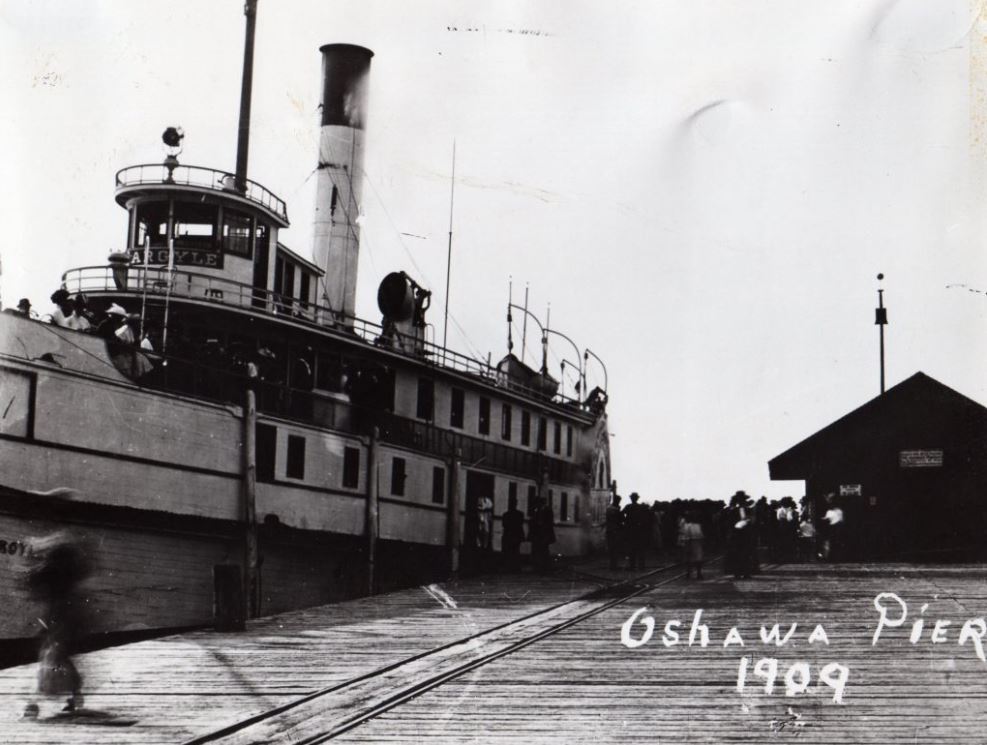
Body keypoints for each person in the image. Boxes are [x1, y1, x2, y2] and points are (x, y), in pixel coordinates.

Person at [21, 531, 91, 718]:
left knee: (52, 656)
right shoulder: (65, 574)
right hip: (66, 617)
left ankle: (33, 704)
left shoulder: (50, 572)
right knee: (60, 656)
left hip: (61, 618)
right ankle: (74, 695)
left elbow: (32, 585)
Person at [622, 492, 653, 570]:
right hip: (639, 530)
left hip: (630, 530)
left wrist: (626, 521)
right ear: (637, 498)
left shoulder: (628, 507)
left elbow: (621, 515)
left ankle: (632, 566)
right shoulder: (641, 507)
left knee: (631, 549)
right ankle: (641, 566)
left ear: (631, 498)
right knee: (640, 549)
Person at [529, 497, 556, 571]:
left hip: (544, 533)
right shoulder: (537, 510)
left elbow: (550, 522)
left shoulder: (548, 510)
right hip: (538, 533)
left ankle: (545, 566)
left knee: (544, 550)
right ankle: (539, 566)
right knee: (539, 549)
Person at [500, 495, 526, 572]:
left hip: (509, 535)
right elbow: (520, 524)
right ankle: (515, 567)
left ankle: (509, 566)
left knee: (509, 551)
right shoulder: (520, 514)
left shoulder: (506, 514)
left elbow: (504, 525)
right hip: (516, 535)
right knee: (515, 551)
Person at [681, 511, 705, 579]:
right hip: (697, 542)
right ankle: (698, 573)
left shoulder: (687, 525)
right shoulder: (698, 525)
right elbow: (701, 535)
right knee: (698, 558)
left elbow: (685, 535)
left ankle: (688, 573)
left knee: (689, 558)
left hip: (689, 542)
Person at [605, 494, 624, 569]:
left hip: (609, 530)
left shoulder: (609, 508)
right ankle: (614, 565)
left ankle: (612, 564)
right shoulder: (615, 509)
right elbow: (620, 519)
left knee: (611, 548)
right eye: (619, 501)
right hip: (615, 530)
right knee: (615, 548)